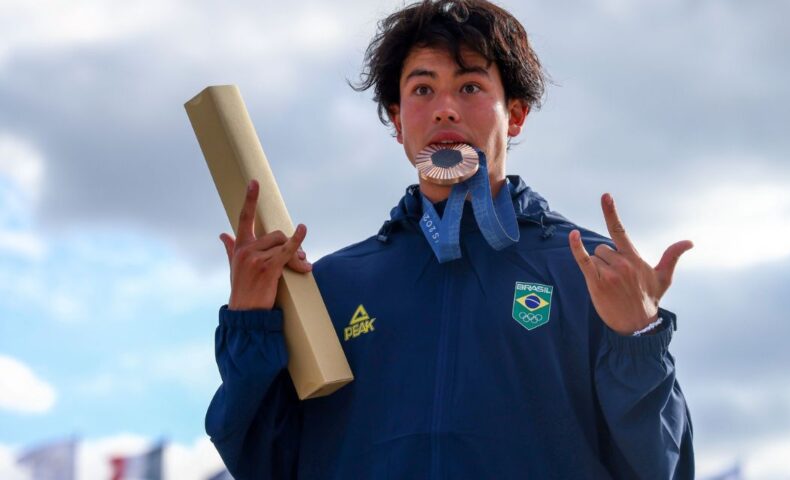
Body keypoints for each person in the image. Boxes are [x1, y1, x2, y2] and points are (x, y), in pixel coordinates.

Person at [207, 0, 695, 478]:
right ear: (397, 122)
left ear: (516, 115)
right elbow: (266, 462)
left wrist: (638, 338)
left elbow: (661, 466)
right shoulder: (331, 286)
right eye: (422, 89)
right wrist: (250, 324)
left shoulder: (589, 272)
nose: (444, 110)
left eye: (470, 87)